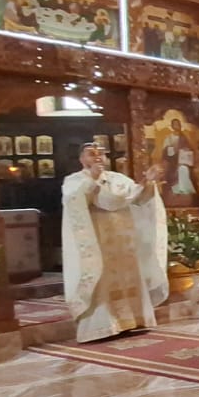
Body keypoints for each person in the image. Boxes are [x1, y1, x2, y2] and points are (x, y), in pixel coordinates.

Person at [61, 143, 170, 343]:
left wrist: (148, 181)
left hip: (124, 244)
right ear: (81, 159)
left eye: (101, 154)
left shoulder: (118, 179)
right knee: (101, 280)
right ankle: (102, 326)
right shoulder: (74, 181)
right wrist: (93, 180)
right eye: (91, 154)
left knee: (130, 279)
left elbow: (139, 198)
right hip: (98, 245)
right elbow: (80, 202)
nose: (97, 157)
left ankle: (135, 320)